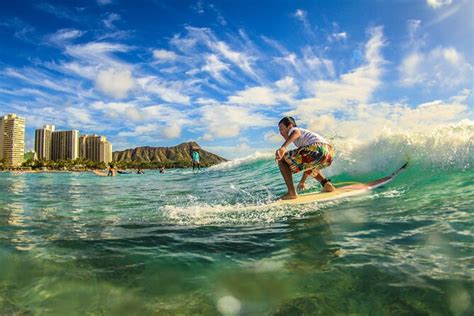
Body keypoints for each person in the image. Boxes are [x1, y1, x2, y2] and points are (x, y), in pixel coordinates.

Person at [275, 116, 336, 200]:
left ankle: (291, 192)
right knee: (309, 165)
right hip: (329, 152)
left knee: (282, 160)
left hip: (317, 148)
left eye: (281, 129)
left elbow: (296, 132)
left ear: (289, 126)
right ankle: (327, 185)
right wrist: (302, 181)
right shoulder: (304, 139)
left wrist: (283, 147)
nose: (280, 133)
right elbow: (307, 165)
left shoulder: (294, 130)